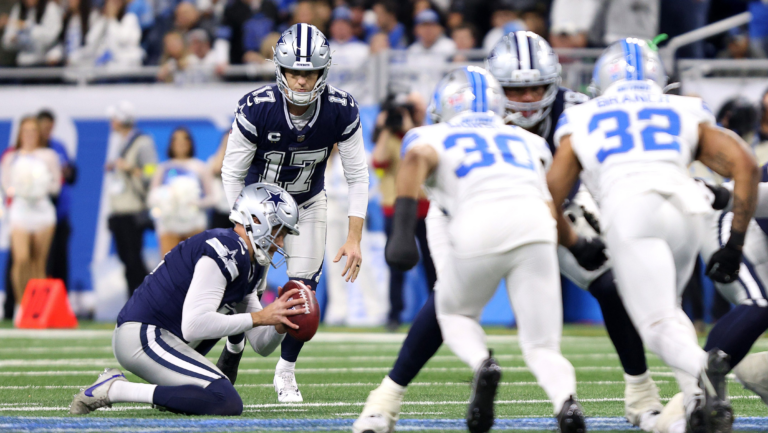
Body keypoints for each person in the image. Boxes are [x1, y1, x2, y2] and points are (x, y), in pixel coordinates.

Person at [354, 31, 661, 433]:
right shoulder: (485, 115)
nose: (530, 98)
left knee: (608, 285)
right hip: (465, 208)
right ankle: (387, 399)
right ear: (497, 90)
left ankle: (641, 394)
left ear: (554, 83)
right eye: (519, 88)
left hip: (555, 206)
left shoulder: (575, 112)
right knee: (445, 300)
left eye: (538, 87)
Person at [547, 38, 758, 433]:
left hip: (631, 210)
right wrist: (734, 245)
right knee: (671, 311)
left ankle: (704, 373)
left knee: (656, 324)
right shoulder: (685, 107)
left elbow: (549, 197)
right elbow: (744, 164)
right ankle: (696, 406)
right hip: (685, 212)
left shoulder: (583, 115)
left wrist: (575, 243)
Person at [375, 66, 585, 433]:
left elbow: (415, 159)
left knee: (453, 312)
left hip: (476, 222)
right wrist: (578, 244)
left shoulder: (430, 133)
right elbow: (549, 201)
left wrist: (403, 230)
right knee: (542, 345)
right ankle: (565, 402)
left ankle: (481, 363)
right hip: (535, 227)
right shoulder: (528, 140)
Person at [219, 23, 369, 403]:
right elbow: (232, 172)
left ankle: (285, 373)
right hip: (258, 207)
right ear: (281, 70)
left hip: (306, 203)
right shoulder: (258, 107)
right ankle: (234, 347)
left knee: (303, 296)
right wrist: (248, 224)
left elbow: (358, 176)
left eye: (310, 73)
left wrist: (354, 238)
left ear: (323, 72)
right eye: (295, 72)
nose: (302, 81)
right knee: (244, 289)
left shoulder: (340, 109)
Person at [69, 183, 306, 416]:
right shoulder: (227, 249)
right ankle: (115, 389)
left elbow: (261, 345)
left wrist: (279, 324)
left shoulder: (250, 260)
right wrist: (259, 317)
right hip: (143, 335)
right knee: (224, 399)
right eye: (279, 231)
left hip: (166, 336)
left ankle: (171, 394)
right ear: (256, 220)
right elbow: (194, 326)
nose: (281, 242)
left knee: (220, 397)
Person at [372, 91, 436, 331]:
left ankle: (437, 310)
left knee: (432, 262)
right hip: (395, 206)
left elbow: (417, 154)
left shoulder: (422, 134)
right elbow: (378, 162)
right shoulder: (388, 137)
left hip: (424, 205)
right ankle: (394, 313)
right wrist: (387, 127)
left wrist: (410, 127)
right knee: (395, 262)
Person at [0, 116, 61, 321]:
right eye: (25, 131)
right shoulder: (11, 157)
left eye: (33, 131)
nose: (29, 135)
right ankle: (20, 304)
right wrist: (22, 189)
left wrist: (39, 188)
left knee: (38, 263)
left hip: (42, 211)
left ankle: (37, 310)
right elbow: (7, 186)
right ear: (20, 134)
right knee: (22, 258)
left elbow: (56, 185)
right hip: (20, 210)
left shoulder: (49, 155)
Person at [105, 101, 158, 298]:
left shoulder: (142, 142)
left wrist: (130, 168)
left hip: (133, 209)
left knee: (133, 259)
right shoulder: (122, 141)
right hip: (120, 209)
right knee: (127, 259)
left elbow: (152, 170)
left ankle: (143, 298)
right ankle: (136, 300)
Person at [148, 127, 215, 256]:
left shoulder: (200, 167)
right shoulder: (163, 168)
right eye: (176, 141)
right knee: (169, 269)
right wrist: (167, 198)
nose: (181, 144)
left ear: (190, 143)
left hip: (194, 226)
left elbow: (212, 197)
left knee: (194, 266)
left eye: (184, 140)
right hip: (168, 227)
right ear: (171, 144)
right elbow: (153, 196)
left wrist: (196, 203)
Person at [38, 109, 76, 290]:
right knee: (40, 260)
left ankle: (61, 301)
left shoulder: (58, 147)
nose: (48, 131)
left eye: (50, 128)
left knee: (61, 259)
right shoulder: (32, 151)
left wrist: (69, 171)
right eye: (44, 127)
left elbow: (71, 175)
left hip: (60, 212)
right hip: (37, 213)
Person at [1, 0, 61, 66]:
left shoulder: (50, 7)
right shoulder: (19, 8)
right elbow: (6, 40)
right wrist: (16, 40)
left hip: (44, 62)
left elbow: (52, 36)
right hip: (23, 62)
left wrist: (28, 27)